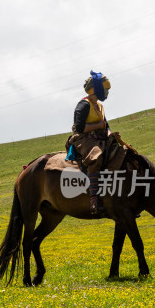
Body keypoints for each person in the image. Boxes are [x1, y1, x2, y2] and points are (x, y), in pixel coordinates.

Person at [69, 71, 115, 215]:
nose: (107, 93)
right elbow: (80, 127)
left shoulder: (100, 106)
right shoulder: (83, 104)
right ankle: (94, 199)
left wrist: (110, 134)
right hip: (83, 138)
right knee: (96, 157)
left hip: (100, 137)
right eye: (105, 90)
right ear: (97, 90)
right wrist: (99, 127)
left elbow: (106, 126)